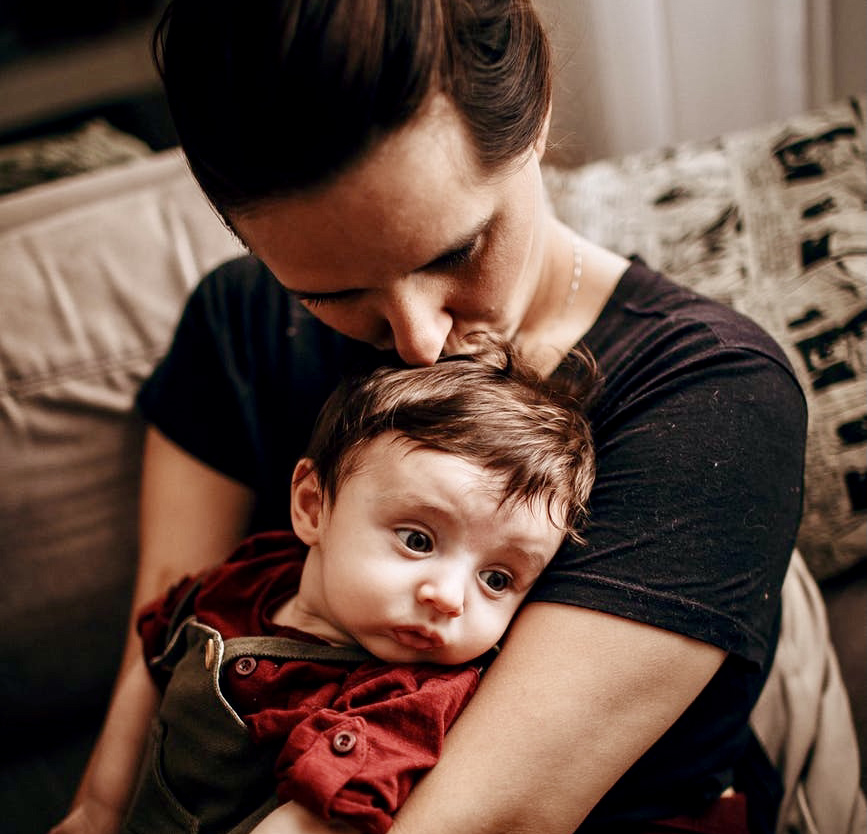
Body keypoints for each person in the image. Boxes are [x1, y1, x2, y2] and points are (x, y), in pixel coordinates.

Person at [54, 2, 811, 833]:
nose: (419, 340)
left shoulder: (709, 395)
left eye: (454, 252)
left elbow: (492, 816)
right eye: (333, 294)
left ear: (535, 116)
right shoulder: (242, 322)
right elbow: (171, 635)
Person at [117, 344, 596, 834]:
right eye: (417, 540)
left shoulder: (409, 700)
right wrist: (97, 808)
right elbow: (155, 655)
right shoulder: (250, 577)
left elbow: (310, 823)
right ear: (311, 507)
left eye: (496, 579)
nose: (450, 598)